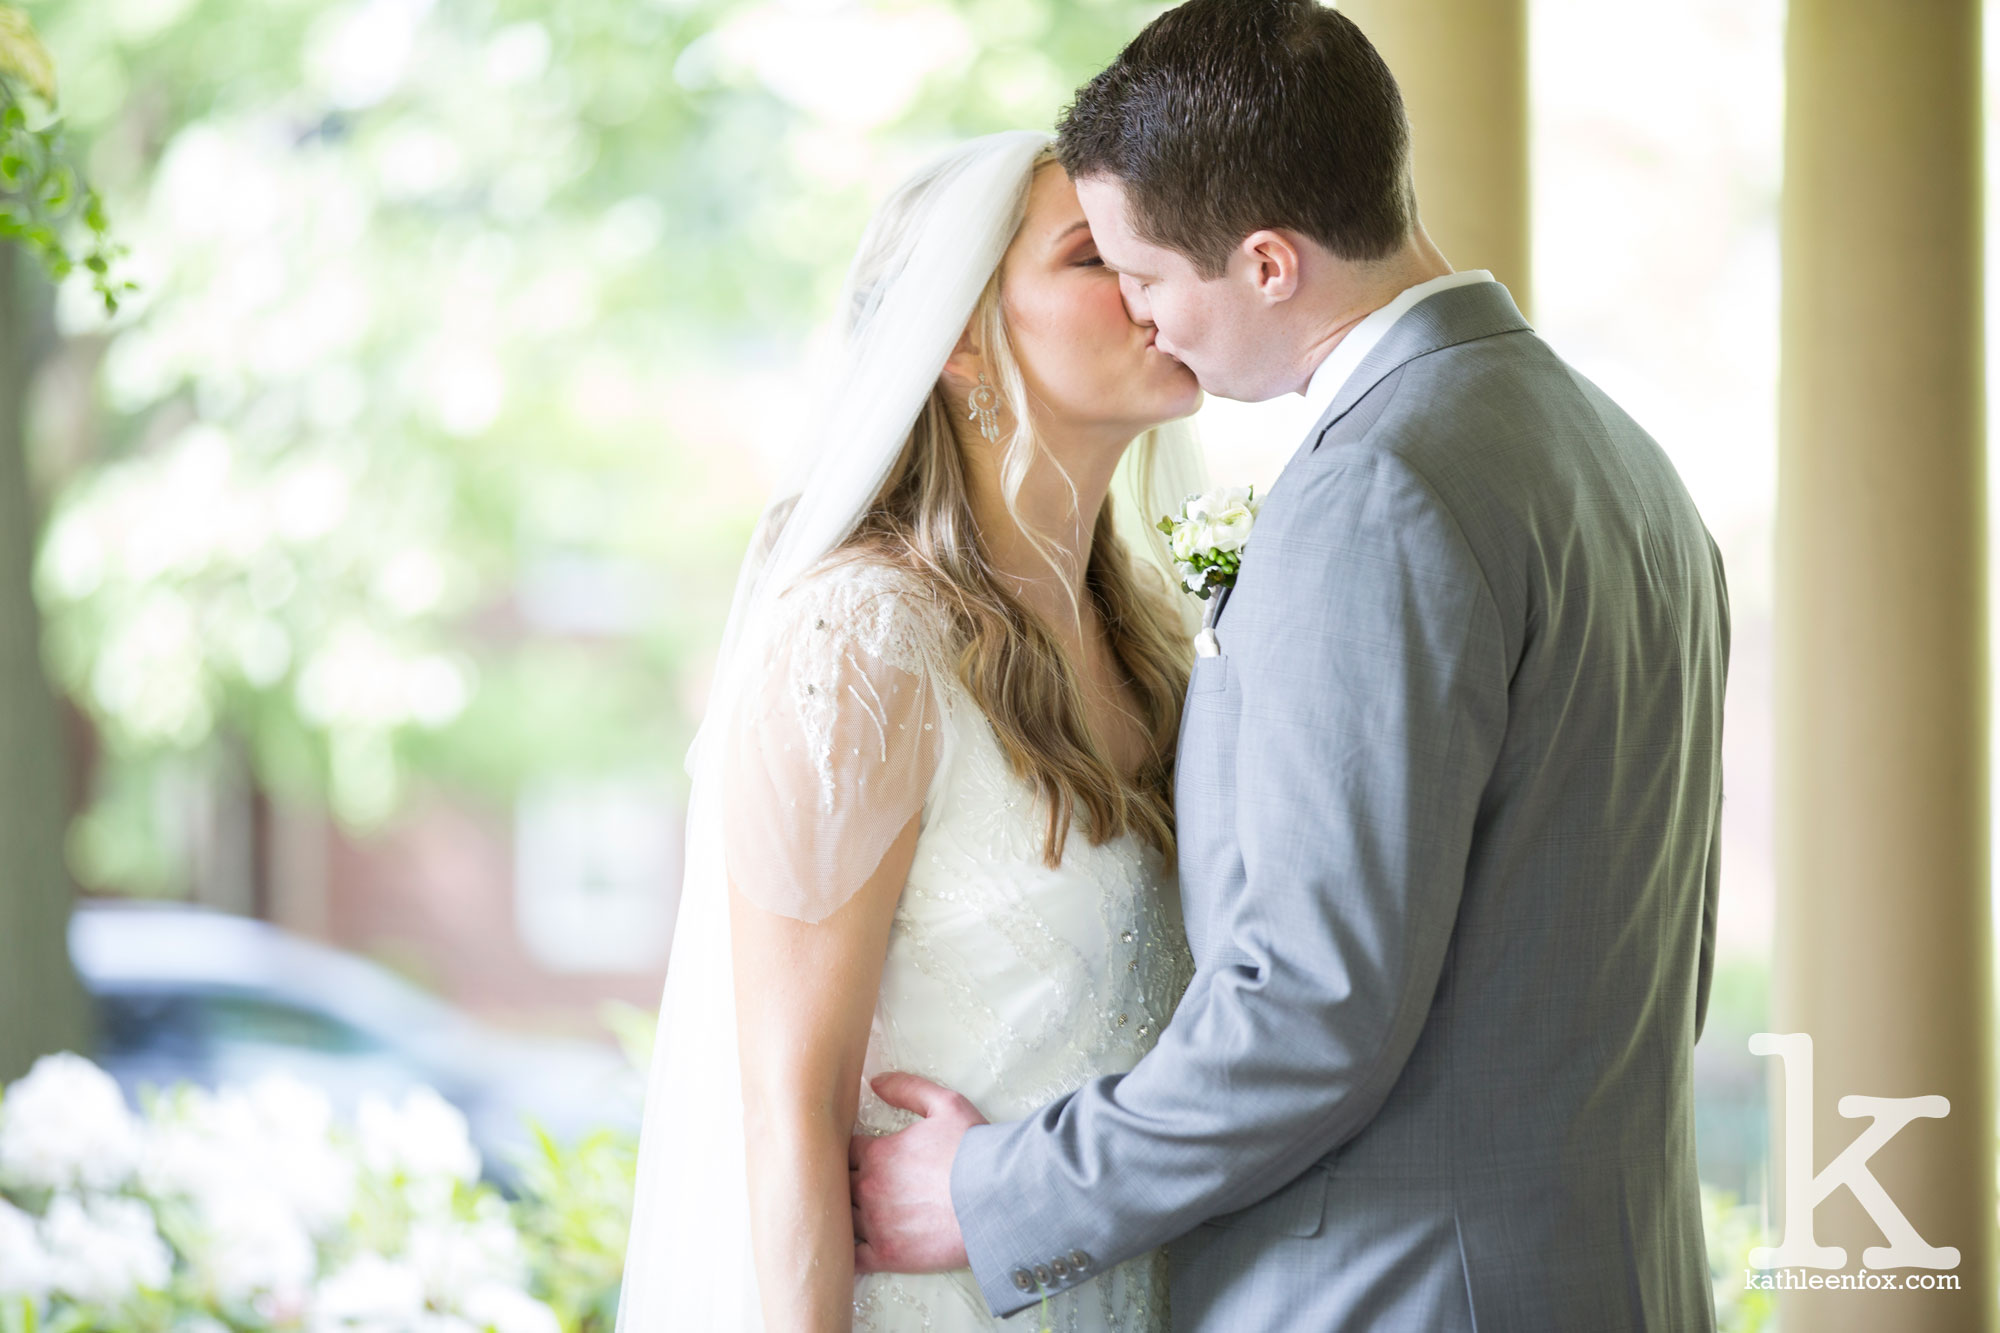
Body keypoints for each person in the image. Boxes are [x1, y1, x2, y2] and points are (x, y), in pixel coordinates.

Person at [848, 3, 1730, 1330]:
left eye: (1144, 272)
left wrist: (987, 1191)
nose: (1144, 315)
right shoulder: (1616, 456)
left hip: (1396, 1292)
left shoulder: (1382, 486)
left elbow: (1313, 1007)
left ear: (1266, 263)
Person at [614, 129, 1211, 1332]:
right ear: (955, 338)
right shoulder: (859, 644)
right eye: (1096, 255)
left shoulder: (1157, 650)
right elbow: (787, 1108)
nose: (1156, 281)